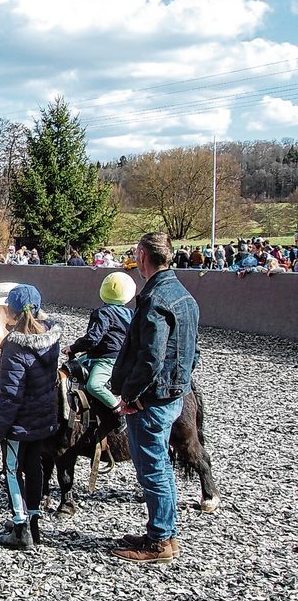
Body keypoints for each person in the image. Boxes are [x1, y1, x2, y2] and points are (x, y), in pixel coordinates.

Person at [110, 232, 200, 564]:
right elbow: (193, 351)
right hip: (172, 394)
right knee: (160, 466)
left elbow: (151, 357)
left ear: (143, 256)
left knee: (153, 469)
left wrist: (132, 395)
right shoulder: (184, 295)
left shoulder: (155, 299)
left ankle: (159, 540)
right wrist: (181, 384)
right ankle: (163, 533)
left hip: (152, 399)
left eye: (136, 253)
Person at [0, 284, 62, 549]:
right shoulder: (51, 337)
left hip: (19, 422)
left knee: (11, 470)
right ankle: (34, 522)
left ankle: (20, 528)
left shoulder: (13, 346)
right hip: (43, 417)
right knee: (34, 467)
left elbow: (10, 395)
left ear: (11, 312)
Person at [62, 272, 136, 418]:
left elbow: (92, 339)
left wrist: (73, 348)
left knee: (94, 385)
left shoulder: (102, 313)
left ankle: (118, 410)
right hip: (111, 356)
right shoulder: (130, 314)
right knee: (73, 366)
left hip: (107, 360)